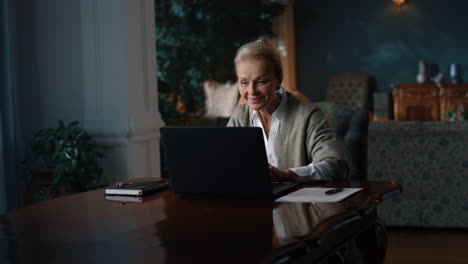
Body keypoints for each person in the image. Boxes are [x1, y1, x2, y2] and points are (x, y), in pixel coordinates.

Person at [227, 38, 348, 182]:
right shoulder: (239, 116)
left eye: (261, 81)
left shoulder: (307, 115)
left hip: (299, 203)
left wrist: (289, 175)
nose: (251, 91)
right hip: (252, 202)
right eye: (244, 82)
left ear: (278, 79)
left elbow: (336, 167)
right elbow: (224, 163)